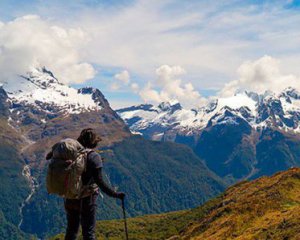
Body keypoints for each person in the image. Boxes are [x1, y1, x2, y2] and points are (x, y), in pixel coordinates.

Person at [62, 128, 125, 240]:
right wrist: (115, 194)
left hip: (70, 197)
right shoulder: (94, 156)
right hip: (87, 199)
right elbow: (100, 182)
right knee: (88, 232)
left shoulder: (72, 154)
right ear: (94, 142)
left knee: (71, 231)